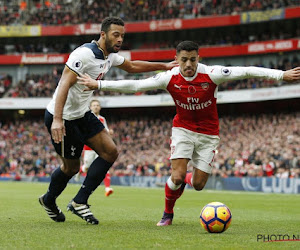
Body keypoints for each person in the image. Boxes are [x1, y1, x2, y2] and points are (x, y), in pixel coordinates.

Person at [77, 40, 300, 226]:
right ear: (177, 59)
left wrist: (281, 76)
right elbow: (136, 86)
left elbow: (247, 71)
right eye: (183, 59)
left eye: (192, 59)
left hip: (209, 135)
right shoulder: (170, 77)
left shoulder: (213, 74)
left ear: (198, 58)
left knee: (200, 184)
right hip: (182, 129)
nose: (188, 64)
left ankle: (184, 182)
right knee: (177, 176)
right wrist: (99, 85)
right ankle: (168, 213)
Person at [39, 16, 177, 225]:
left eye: (122, 35)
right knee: (71, 168)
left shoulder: (110, 55)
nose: (120, 39)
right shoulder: (83, 54)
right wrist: (57, 120)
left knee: (110, 152)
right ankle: (49, 200)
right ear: (103, 35)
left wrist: (164, 66)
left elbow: (132, 66)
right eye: (116, 35)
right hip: (64, 117)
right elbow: (64, 84)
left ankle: (79, 201)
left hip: (82, 113)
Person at [74, 99, 114, 197]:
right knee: (87, 167)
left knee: (104, 166)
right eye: (94, 105)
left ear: (100, 107)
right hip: (89, 148)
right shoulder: (86, 118)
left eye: (97, 105)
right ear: (90, 107)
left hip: (100, 148)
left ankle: (107, 188)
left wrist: (109, 133)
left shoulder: (102, 119)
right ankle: (81, 169)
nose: (96, 107)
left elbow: (105, 131)